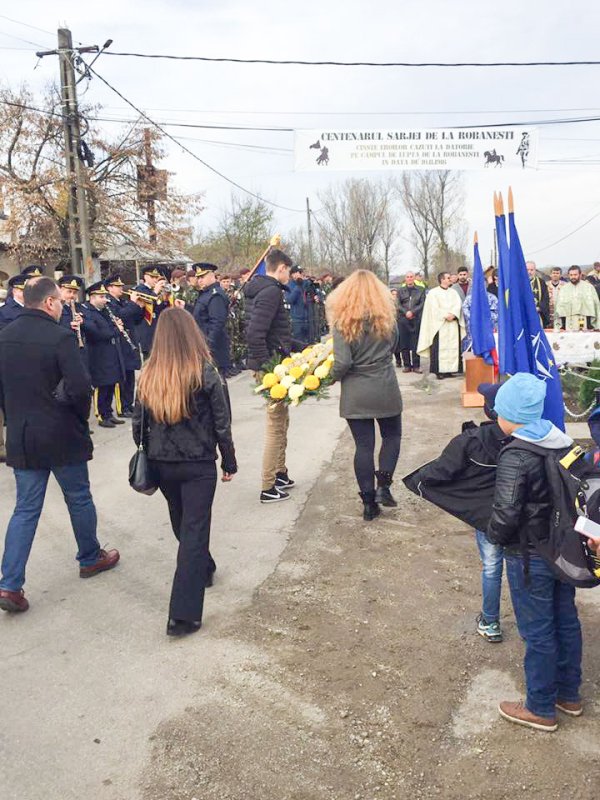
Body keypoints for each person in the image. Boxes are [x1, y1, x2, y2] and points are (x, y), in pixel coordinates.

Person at [0, 277, 119, 613]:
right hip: (61, 432)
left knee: (25, 509)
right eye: (60, 301)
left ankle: (9, 585)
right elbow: (81, 387)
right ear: (50, 303)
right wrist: (80, 418)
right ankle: (90, 556)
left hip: (23, 435)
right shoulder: (60, 336)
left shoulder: (4, 337)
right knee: (78, 497)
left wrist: (14, 418)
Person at [487, 373, 582, 732]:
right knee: (565, 620)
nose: (497, 416)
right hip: (563, 550)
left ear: (512, 415)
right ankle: (568, 694)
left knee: (537, 630)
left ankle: (540, 706)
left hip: (528, 555)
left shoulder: (516, 453)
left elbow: (507, 511)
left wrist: (493, 535)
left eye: (500, 410)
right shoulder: (561, 441)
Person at [132, 308, 236, 637]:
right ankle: (183, 613)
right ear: (193, 333)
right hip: (197, 463)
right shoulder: (205, 371)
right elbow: (222, 420)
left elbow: (138, 427)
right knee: (194, 528)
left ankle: (203, 567)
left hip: (163, 464)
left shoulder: (149, 374)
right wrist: (228, 459)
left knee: (181, 521)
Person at [403, 383, 508, 642]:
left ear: (489, 410)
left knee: (492, 567)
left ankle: (491, 621)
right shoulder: (528, 438)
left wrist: (418, 478)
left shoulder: (471, 441)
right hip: (524, 516)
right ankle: (534, 624)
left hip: (488, 519)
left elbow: (443, 470)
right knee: (523, 569)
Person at [327, 270, 402, 521]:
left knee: (363, 445)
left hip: (356, 391)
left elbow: (342, 362)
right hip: (385, 385)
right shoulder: (388, 319)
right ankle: (384, 486)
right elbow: (394, 347)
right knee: (392, 435)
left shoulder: (342, 322)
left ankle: (369, 504)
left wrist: (326, 380)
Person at [244, 248, 296, 503]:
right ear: (282, 268)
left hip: (275, 364)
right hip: (270, 369)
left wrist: (302, 346)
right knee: (276, 427)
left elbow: (277, 332)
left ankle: (279, 473)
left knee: (282, 422)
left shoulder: (268, 290)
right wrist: (269, 369)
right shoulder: (271, 291)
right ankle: (267, 485)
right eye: (289, 270)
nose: (291, 275)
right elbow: (255, 334)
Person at [82, 282, 125, 428]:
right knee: (102, 385)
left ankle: (108, 412)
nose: (105, 300)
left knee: (111, 383)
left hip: (110, 353)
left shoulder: (104, 310)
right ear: (92, 297)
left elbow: (109, 327)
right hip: (98, 354)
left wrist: (116, 325)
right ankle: (101, 415)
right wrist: (116, 330)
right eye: (102, 297)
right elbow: (97, 332)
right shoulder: (87, 311)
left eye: (105, 296)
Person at [105, 274, 144, 417]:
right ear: (110, 288)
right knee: (122, 377)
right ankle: (122, 408)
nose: (121, 288)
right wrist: (133, 304)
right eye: (118, 286)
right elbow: (120, 316)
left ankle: (129, 404)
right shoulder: (109, 302)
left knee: (130, 374)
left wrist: (140, 307)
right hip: (120, 342)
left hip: (130, 341)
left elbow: (136, 320)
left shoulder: (122, 301)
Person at [417, 272, 465, 379]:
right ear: (442, 280)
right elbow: (433, 309)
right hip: (439, 325)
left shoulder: (454, 292)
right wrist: (445, 315)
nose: (450, 279)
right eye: (448, 278)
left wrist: (453, 314)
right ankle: (439, 371)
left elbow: (458, 305)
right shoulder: (433, 293)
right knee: (439, 348)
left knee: (453, 347)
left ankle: (451, 369)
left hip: (452, 324)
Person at [192, 263, 232, 376]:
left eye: (202, 277)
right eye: (198, 277)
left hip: (213, 349)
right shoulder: (206, 294)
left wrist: (208, 346)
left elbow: (217, 323)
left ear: (212, 275)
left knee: (217, 386)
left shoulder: (215, 295)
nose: (200, 280)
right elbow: (201, 314)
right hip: (204, 345)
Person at [132, 265, 169, 358]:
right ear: (145, 277)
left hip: (157, 329)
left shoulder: (153, 291)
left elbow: (159, 309)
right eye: (152, 277)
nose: (155, 280)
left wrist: (165, 299)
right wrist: (155, 292)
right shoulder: (140, 289)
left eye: (156, 277)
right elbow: (148, 303)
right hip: (146, 331)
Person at [396, 272, 426, 373]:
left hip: (416, 319)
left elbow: (422, 303)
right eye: (407, 277)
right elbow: (398, 304)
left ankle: (416, 366)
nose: (409, 279)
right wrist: (406, 312)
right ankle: (407, 365)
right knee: (404, 343)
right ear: (405, 279)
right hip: (403, 320)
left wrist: (412, 312)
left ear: (414, 279)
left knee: (415, 343)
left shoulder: (420, 290)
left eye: (411, 277)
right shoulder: (400, 291)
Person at [555, 265, 600, 330]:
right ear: (568, 275)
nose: (573, 277)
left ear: (580, 274)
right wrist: (558, 324)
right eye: (571, 275)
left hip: (585, 320)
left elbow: (596, 305)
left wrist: (597, 324)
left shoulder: (589, 287)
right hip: (568, 321)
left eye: (575, 275)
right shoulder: (564, 289)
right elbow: (558, 307)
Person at [287, 265, 309, 344]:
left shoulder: (306, 284)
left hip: (308, 318)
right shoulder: (289, 286)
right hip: (297, 319)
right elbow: (289, 299)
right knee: (300, 343)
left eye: (301, 272)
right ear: (293, 274)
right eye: (299, 272)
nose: (301, 274)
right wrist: (298, 287)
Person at [526, 261, 550, 328]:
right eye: (527, 270)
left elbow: (545, 298)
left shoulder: (541, 282)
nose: (529, 272)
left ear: (535, 270)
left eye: (531, 270)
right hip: (524, 314)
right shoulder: (519, 283)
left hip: (537, 313)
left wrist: (539, 308)